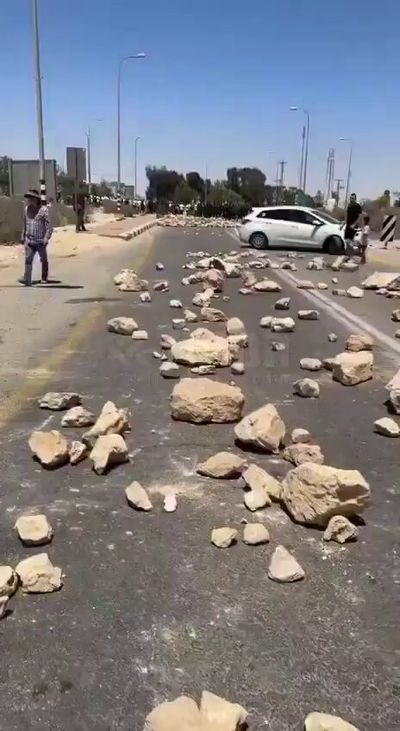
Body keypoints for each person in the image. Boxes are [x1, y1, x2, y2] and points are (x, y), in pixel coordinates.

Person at [19, 189, 53, 286]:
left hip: (41, 240)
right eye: (28, 198)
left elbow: (49, 226)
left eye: (31, 198)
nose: (29, 200)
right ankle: (27, 279)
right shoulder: (26, 209)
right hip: (30, 240)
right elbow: (25, 223)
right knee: (28, 259)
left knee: (43, 259)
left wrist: (46, 237)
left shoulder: (44, 210)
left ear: (36, 199)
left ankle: (44, 277)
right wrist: (22, 235)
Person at [344, 193, 363, 258]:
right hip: (348, 225)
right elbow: (347, 215)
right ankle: (348, 254)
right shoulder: (349, 205)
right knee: (347, 240)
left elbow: (360, 216)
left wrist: (354, 224)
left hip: (354, 226)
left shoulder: (358, 206)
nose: (351, 199)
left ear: (355, 199)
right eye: (350, 198)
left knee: (352, 241)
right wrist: (344, 222)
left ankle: (350, 255)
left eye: (352, 198)